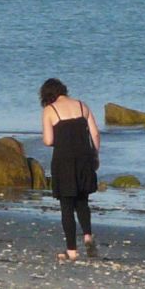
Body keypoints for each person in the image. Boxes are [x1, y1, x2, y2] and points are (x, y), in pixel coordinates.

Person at [40, 77, 100, 262]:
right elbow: (95, 133)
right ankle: (88, 235)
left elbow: (48, 140)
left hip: (64, 161)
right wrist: (95, 156)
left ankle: (72, 251)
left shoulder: (50, 110)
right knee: (82, 201)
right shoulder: (82, 106)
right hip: (85, 158)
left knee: (66, 206)